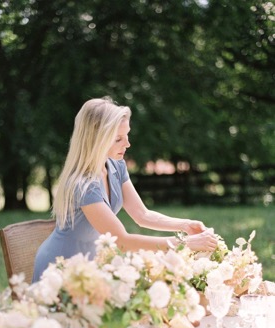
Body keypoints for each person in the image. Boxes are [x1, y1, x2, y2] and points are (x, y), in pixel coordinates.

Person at [32, 97, 218, 282]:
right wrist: (185, 244)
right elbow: (122, 242)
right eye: (118, 139)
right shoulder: (84, 185)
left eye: (127, 135)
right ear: (97, 139)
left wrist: (185, 225)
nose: (127, 144)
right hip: (60, 270)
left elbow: (142, 215)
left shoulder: (115, 166)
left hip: (88, 269)